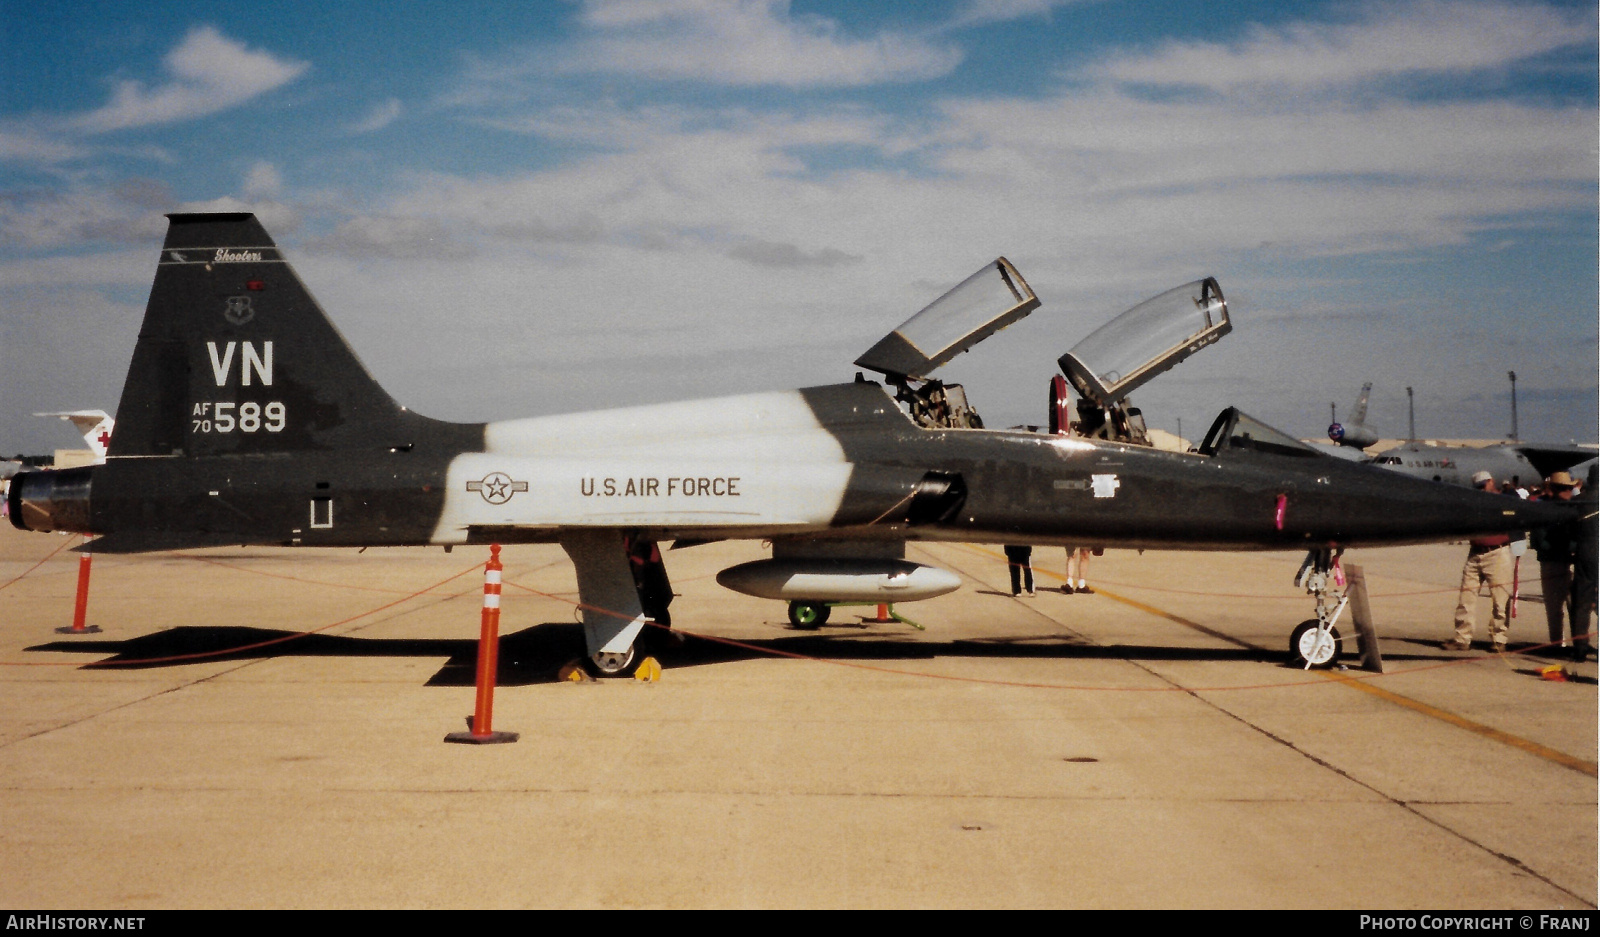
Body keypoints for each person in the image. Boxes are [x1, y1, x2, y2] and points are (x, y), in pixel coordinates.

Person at [1447, 470, 1514, 652]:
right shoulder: (1473, 502)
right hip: (1476, 552)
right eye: (1479, 487)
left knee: (1500, 599)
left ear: (1491, 482)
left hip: (1497, 552)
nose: (1482, 489)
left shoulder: (1503, 501)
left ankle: (1499, 638)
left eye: (1484, 485)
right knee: (1466, 597)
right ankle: (1462, 638)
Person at [1529, 471, 1578, 655]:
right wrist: (1569, 548)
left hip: (1568, 562)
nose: (1569, 491)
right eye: (1566, 488)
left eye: (1570, 488)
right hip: (1553, 563)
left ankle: (1576, 643)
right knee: (1554, 607)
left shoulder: (1573, 508)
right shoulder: (1544, 509)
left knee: (1575, 605)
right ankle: (1557, 644)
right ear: (1557, 489)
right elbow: (1539, 540)